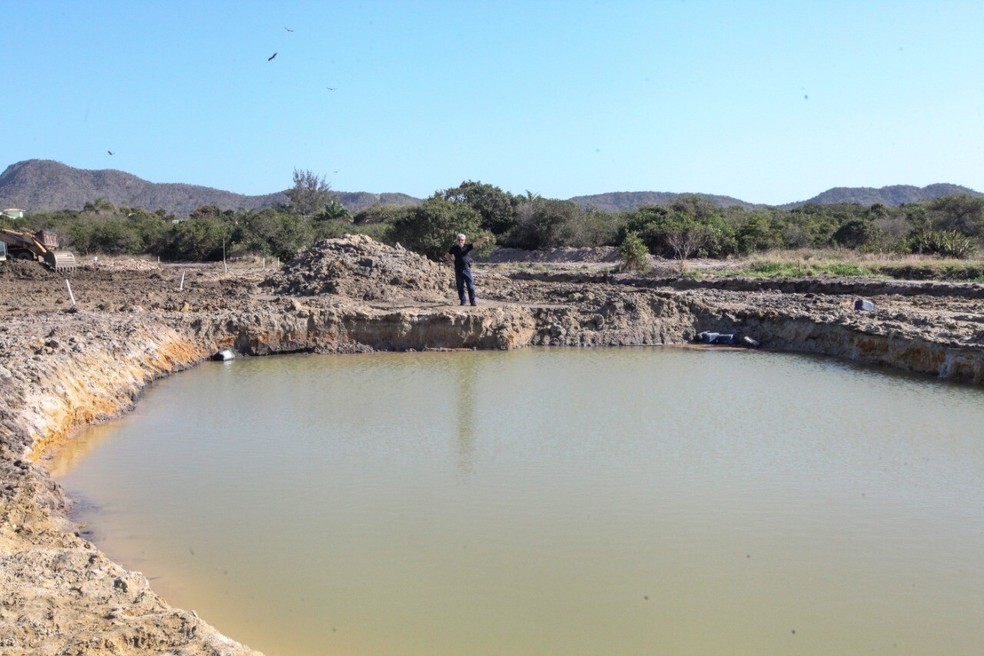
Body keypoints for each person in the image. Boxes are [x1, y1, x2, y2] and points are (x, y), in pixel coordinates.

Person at [445, 233, 489, 306]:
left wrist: (483, 239)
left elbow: (476, 244)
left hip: (466, 269)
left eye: (462, 240)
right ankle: (463, 301)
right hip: (458, 270)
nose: (460, 241)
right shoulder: (454, 248)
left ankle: (472, 301)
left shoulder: (467, 247)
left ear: (464, 240)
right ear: (457, 240)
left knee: (470, 286)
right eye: (459, 240)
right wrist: (451, 261)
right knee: (460, 286)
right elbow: (447, 255)